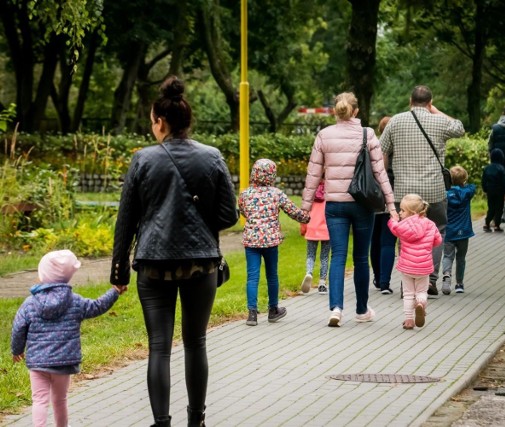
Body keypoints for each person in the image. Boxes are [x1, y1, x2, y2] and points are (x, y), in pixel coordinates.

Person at [110, 76, 238, 427]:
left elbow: (126, 221)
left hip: (152, 264)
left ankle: (161, 423)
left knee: (159, 348)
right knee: (196, 342)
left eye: (152, 121)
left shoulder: (142, 160)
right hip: (201, 264)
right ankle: (196, 421)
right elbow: (229, 216)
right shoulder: (212, 157)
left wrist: (118, 271)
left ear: (160, 122)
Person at [302, 92, 396, 327]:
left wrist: (305, 208)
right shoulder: (368, 134)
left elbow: (313, 174)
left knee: (338, 256)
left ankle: (335, 308)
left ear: (336, 111)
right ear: (356, 111)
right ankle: (362, 310)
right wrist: (391, 205)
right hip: (362, 204)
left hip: (334, 205)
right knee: (361, 258)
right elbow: (379, 173)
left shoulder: (324, 135)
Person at [12, 250, 123, 427]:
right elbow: (97, 307)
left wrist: (17, 350)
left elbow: (19, 328)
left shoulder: (29, 303)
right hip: (63, 363)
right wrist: (114, 292)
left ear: (42, 274)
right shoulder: (75, 301)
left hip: (38, 363)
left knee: (39, 400)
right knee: (60, 400)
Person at [380, 85, 465, 296]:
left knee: (405, 234)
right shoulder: (439, 121)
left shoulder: (395, 122)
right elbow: (459, 128)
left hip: (404, 191)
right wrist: (435, 111)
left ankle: (407, 279)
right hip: (433, 190)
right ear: (430, 102)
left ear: (410, 101)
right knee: (438, 230)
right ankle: (430, 279)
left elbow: (381, 152)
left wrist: (384, 184)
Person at [239, 159, 310, 325]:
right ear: (272, 175)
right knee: (272, 275)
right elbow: (292, 211)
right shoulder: (276, 193)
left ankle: (252, 314)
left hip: (251, 241)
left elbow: (243, 211)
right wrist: (306, 218)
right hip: (271, 241)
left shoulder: (245, 194)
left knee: (252, 276)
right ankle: (273, 310)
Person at [387, 194, 442, 329]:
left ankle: (409, 320)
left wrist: (392, 220)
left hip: (407, 266)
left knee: (408, 293)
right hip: (424, 266)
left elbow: (395, 229)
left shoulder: (402, 226)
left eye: (402, 210)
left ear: (411, 212)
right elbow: (438, 240)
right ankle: (421, 303)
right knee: (422, 291)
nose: (400, 213)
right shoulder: (430, 224)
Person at [370, 115, 397, 294]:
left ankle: (378, 278)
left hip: (374, 197)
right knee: (388, 241)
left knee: (375, 239)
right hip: (394, 196)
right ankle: (386, 283)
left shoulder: (373, 146)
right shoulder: (401, 150)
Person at [442, 166, 476, 295]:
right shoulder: (467, 192)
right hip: (464, 231)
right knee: (461, 258)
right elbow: (472, 187)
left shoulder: (445, 194)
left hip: (449, 231)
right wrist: (463, 183)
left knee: (447, 256)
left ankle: (446, 276)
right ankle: (459, 283)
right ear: (464, 180)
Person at [300, 179, 330, 295]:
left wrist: (303, 228)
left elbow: (304, 211)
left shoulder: (309, 192)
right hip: (326, 229)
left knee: (310, 254)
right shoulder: (330, 191)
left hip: (312, 227)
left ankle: (309, 272)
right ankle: (322, 283)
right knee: (324, 256)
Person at [482, 148, 505, 233]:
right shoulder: (501, 168)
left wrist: (485, 189)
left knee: (491, 207)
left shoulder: (487, 168)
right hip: (499, 191)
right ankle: (497, 225)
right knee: (499, 208)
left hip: (490, 190)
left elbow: (483, 180)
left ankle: (487, 223)